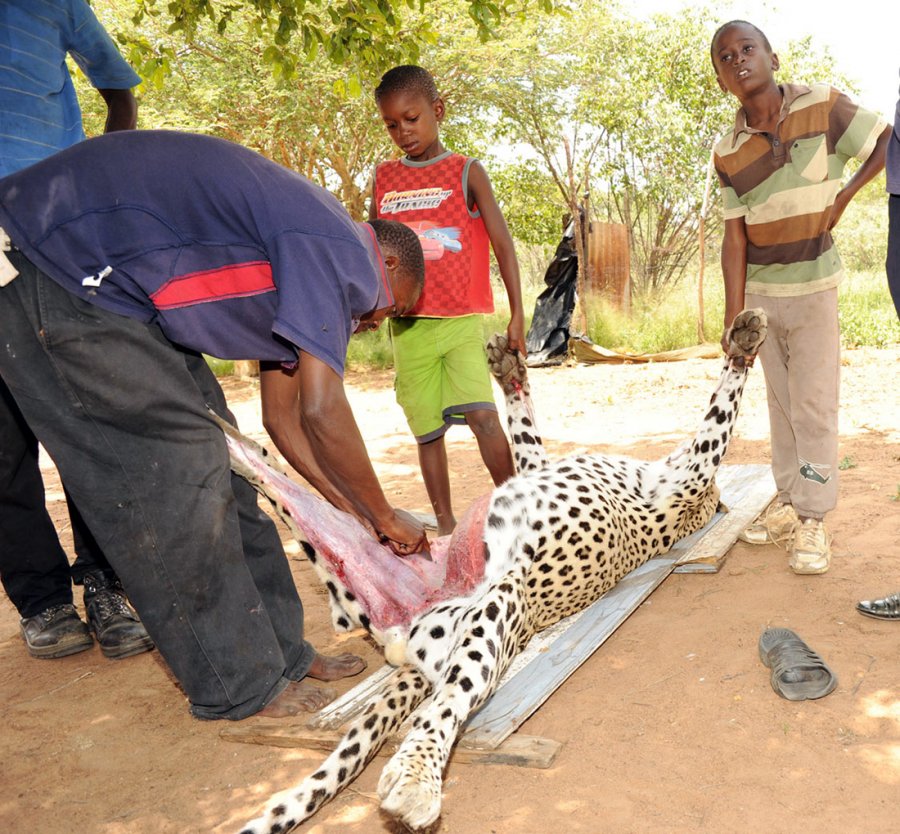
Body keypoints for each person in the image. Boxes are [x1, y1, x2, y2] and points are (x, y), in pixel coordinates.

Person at [0, 128, 427, 720]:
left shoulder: (302, 254)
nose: (378, 323)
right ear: (385, 261)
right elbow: (322, 411)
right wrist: (384, 513)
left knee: (233, 467)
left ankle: (281, 656)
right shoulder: (339, 249)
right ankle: (240, 685)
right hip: (48, 267)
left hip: (114, 291)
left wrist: (352, 511)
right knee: (177, 482)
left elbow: (282, 424)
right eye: (394, 307)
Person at [0, 0, 153, 660]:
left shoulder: (55, 4)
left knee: (83, 416)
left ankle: (107, 582)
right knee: (3, 441)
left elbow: (116, 83)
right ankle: (44, 600)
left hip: (55, 233)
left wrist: (99, 167)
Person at [710, 21, 889, 575]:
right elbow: (733, 237)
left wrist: (845, 199)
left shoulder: (823, 105)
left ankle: (813, 519)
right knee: (783, 408)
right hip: (763, 300)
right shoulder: (727, 150)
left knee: (814, 407)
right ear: (721, 80)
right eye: (726, 57)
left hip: (813, 290)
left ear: (774, 57)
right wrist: (736, 318)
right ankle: (789, 503)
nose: (739, 60)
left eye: (747, 49)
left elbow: (885, 140)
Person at [369, 65, 526, 536]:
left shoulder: (466, 172)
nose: (403, 132)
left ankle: (519, 510)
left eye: (412, 119)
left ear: (437, 111)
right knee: (427, 429)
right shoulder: (383, 179)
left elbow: (502, 242)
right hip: (408, 328)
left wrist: (518, 313)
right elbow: (372, 248)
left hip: (458, 320)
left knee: (483, 415)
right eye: (392, 125)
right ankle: (445, 524)